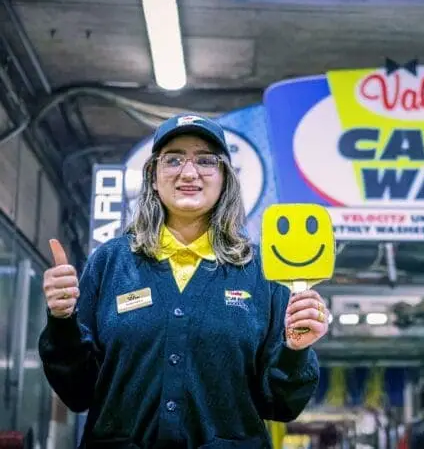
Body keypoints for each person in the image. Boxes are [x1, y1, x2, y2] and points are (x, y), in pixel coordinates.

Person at [38, 114, 330, 449]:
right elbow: (78, 393)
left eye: (206, 160)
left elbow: (282, 405)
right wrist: (62, 322)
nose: (188, 173)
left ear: (225, 178)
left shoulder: (263, 271)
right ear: (153, 175)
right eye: (173, 159)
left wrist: (295, 351)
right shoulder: (110, 262)